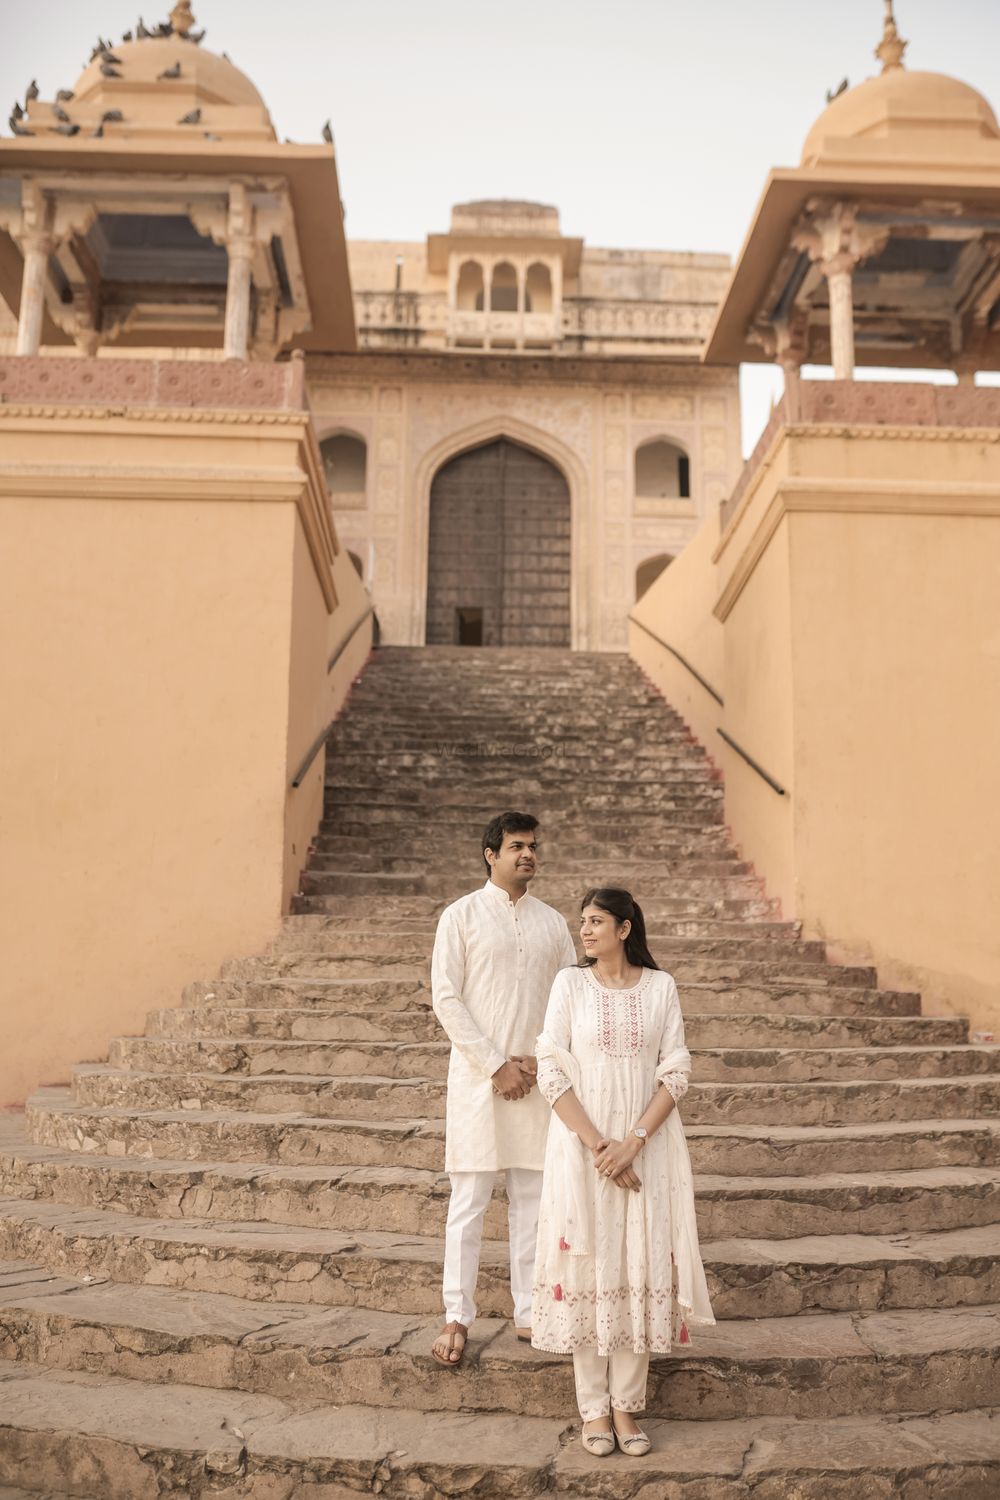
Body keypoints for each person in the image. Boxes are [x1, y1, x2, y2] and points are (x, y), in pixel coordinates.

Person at [531, 886, 714, 1455]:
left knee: (640, 1262)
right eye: (581, 921)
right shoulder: (569, 984)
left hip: (647, 1150)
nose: (584, 930)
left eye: (595, 921)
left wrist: (632, 1144)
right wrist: (597, 1147)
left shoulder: (661, 988)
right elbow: (549, 1069)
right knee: (587, 1264)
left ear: (625, 928)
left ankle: (627, 1409)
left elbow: (676, 1070)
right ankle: (592, 1411)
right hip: (581, 1150)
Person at [430, 810, 577, 1368]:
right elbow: (447, 999)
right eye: (517, 846)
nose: (528, 855)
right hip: (476, 1081)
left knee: (533, 1202)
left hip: (537, 1081)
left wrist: (540, 1062)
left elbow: (569, 1000)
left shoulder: (551, 923)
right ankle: (456, 1315)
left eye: (533, 846)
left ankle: (530, 1310)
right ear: (491, 853)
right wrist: (494, 1064)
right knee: (468, 1202)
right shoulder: (460, 916)